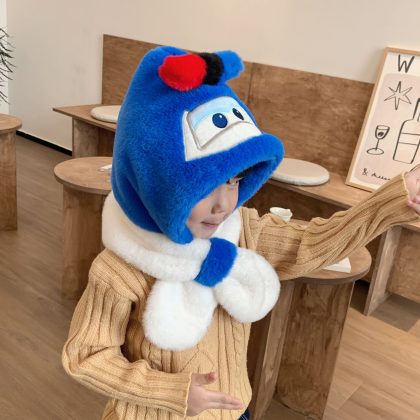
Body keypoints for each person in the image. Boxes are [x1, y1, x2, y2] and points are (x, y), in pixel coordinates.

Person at [62, 46, 420, 420]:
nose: (224, 204)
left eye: (234, 181)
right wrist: (171, 392)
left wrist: (390, 202)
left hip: (233, 409)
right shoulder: (118, 271)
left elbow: (312, 243)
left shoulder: (242, 231)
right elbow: (85, 356)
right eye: (205, 186)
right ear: (154, 181)